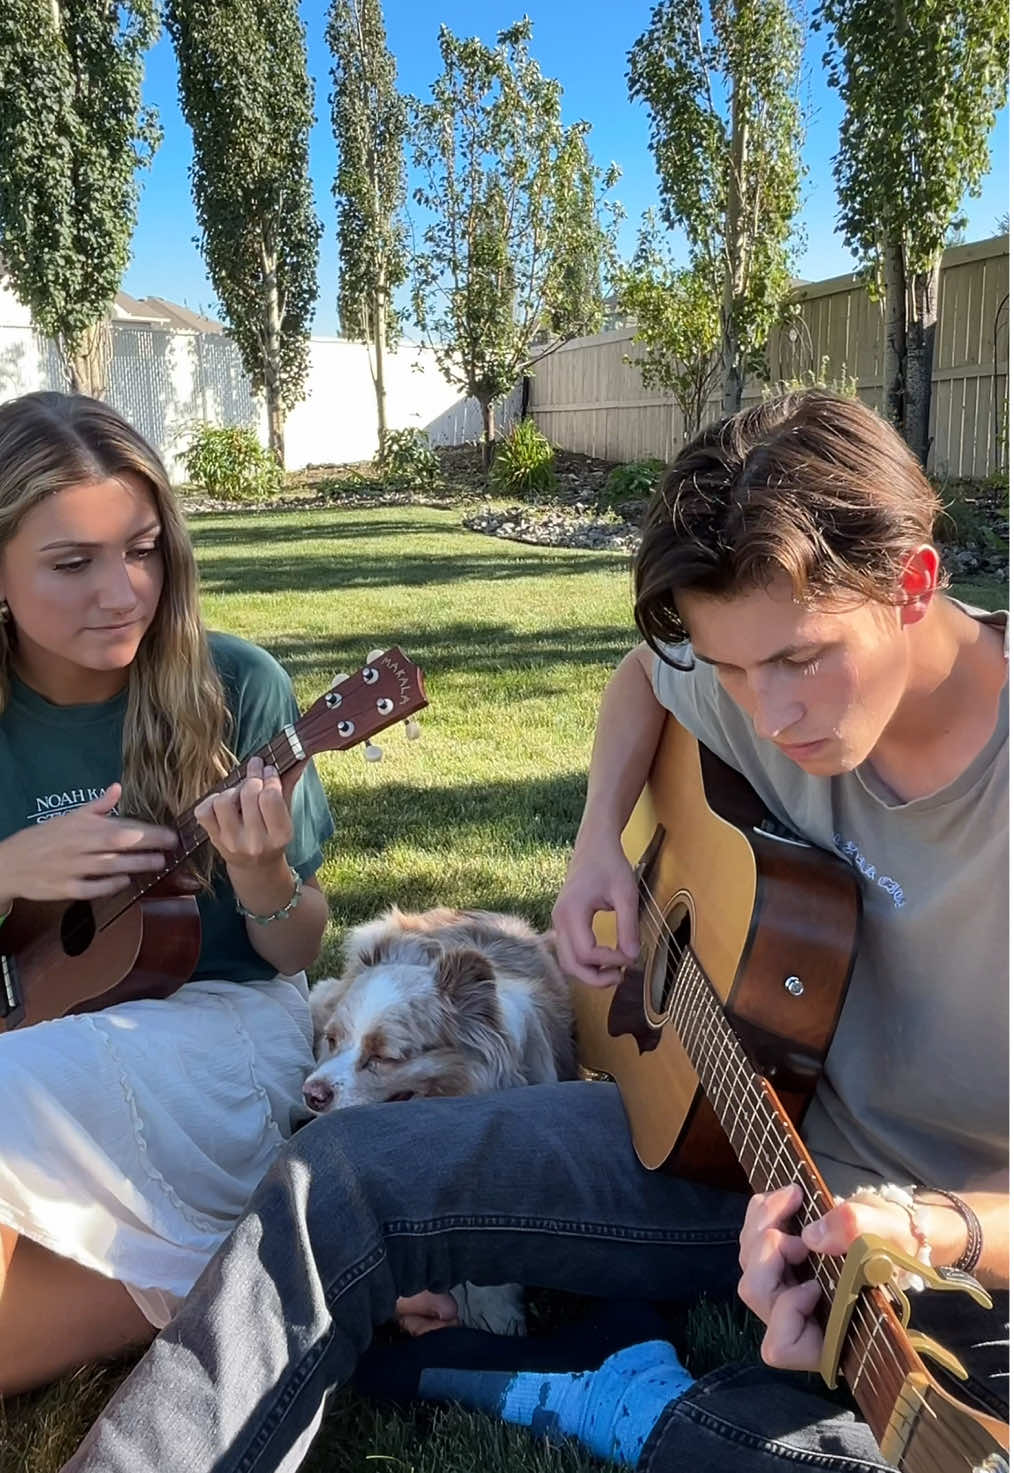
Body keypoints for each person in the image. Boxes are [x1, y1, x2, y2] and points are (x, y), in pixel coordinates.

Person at [62, 391, 1007, 1473]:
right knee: (339, 1174)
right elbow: (652, 675)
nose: (767, 716)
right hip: (701, 1144)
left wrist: (936, 1233)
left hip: (934, 1250)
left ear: (916, 583)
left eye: (796, 662)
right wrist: (600, 839)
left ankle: (634, 1387)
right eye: (735, 671)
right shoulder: (749, 670)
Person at [0, 391, 334, 1396]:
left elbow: (296, 953)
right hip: (41, 1026)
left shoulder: (238, 687)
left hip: (220, 1030)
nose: (121, 592)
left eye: (142, 550)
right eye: (73, 563)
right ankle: (216, 1276)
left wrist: (265, 873)